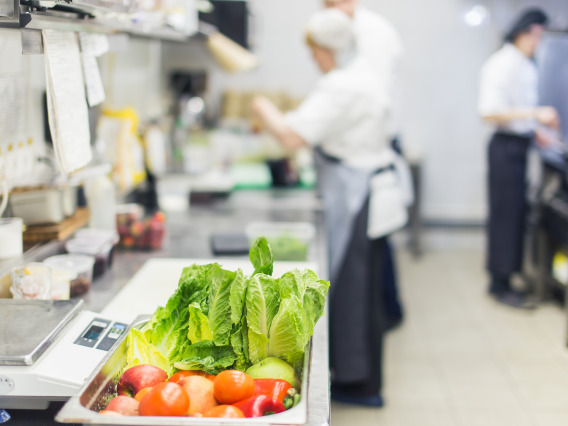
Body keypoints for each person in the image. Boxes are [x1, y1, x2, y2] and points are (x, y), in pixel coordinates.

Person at [252, 9, 400, 407]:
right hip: (362, 191)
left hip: (357, 197)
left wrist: (262, 107)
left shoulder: (342, 85)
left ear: (325, 50)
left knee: (355, 293)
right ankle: (359, 378)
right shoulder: (360, 77)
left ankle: (361, 384)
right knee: (362, 291)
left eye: (314, 51)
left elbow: (291, 136)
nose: (313, 59)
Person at [323, 0, 405, 329]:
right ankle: (387, 311)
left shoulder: (373, 33)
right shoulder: (360, 31)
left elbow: (371, 97)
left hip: (373, 150)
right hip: (369, 147)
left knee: (373, 246)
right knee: (374, 245)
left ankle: (387, 312)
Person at [478, 8, 560, 309]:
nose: (538, 42)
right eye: (536, 35)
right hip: (504, 148)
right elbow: (489, 112)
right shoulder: (501, 63)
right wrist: (536, 115)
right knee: (504, 215)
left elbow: (520, 112)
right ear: (522, 31)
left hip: (520, 144)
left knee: (514, 215)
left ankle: (508, 275)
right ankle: (500, 283)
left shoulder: (525, 64)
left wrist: (537, 131)